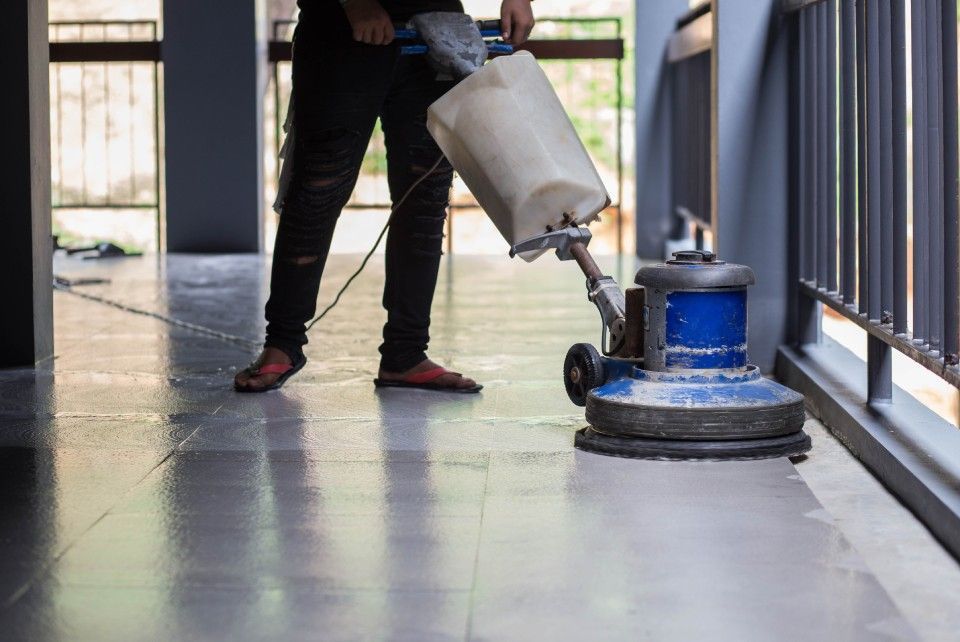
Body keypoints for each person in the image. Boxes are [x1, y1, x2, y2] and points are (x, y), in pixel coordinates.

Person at [234, 0, 536, 393]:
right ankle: (282, 344)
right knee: (317, 193)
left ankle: (406, 353)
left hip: (435, 31)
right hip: (341, 32)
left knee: (424, 197)